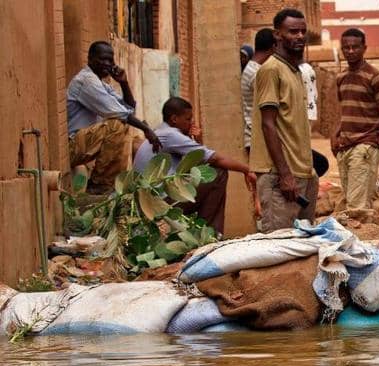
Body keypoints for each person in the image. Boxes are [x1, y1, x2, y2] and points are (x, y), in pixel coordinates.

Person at [133, 97, 258, 234]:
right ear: (174, 119)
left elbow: (198, 163)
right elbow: (214, 159)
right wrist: (247, 170)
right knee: (218, 173)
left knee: (206, 175)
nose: (191, 123)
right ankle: (210, 233)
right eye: (188, 119)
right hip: (160, 203)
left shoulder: (160, 132)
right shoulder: (171, 135)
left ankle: (201, 232)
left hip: (148, 203)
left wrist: (197, 140)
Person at [251, 9, 317, 232]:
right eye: (292, 31)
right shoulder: (271, 70)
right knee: (278, 243)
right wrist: (285, 174)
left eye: (303, 31)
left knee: (304, 242)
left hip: (302, 173)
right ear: (277, 35)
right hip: (279, 176)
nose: (300, 36)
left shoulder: (295, 71)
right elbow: (268, 124)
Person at [67, 41, 161, 193]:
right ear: (90, 59)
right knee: (116, 125)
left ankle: (108, 184)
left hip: (84, 145)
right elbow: (120, 113)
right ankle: (99, 184)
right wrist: (146, 129)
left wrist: (124, 83)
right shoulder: (87, 80)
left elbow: (128, 109)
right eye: (102, 59)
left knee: (122, 125)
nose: (107, 63)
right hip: (71, 147)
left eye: (110, 60)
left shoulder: (101, 83)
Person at [331, 28, 379, 210]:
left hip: (366, 145)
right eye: (346, 48)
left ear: (364, 48)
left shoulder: (375, 77)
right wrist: (334, 134)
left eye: (355, 47)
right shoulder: (340, 77)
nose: (350, 51)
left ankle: (363, 236)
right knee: (355, 202)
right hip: (345, 147)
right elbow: (343, 110)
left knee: (356, 207)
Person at [242, 29, 276, 153]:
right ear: (274, 47)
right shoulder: (258, 73)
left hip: (255, 135)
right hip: (258, 137)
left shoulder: (252, 68)